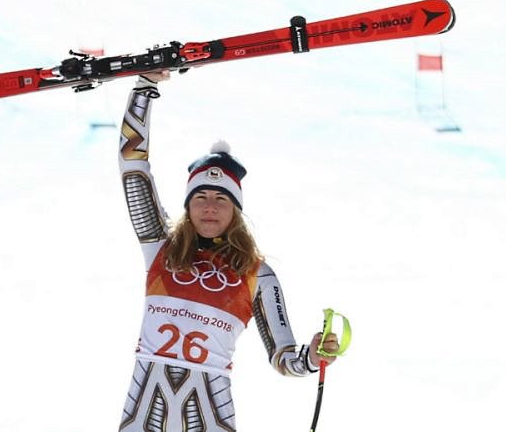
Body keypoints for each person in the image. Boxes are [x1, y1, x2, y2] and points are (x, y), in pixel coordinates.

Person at [116, 70, 340, 431]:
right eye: (200, 197)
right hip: (144, 409)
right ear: (188, 207)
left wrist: (312, 357)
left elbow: (284, 360)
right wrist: (144, 89)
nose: (209, 206)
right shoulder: (161, 248)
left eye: (221, 199)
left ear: (236, 210)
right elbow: (132, 167)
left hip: (209, 412)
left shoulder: (257, 274)